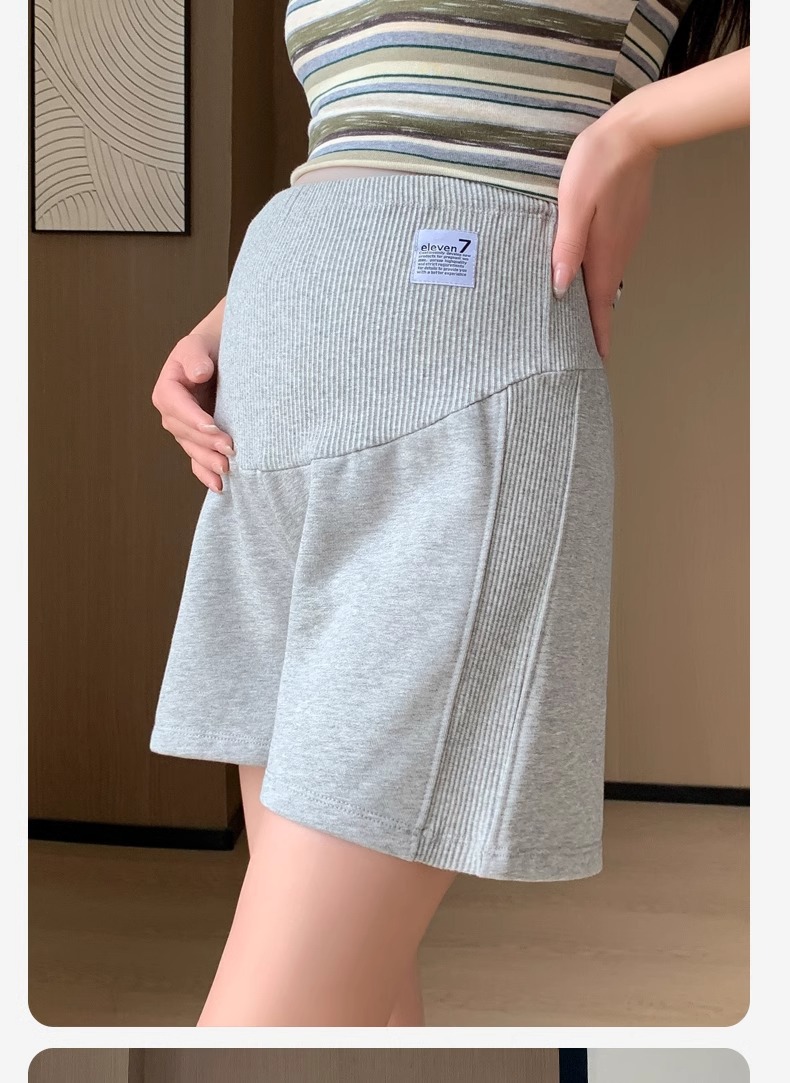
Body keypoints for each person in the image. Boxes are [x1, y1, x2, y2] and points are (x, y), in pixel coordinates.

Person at [149, 0, 749, 1027]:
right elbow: (374, 122)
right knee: (355, 1004)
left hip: (464, 378)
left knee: (265, 1029)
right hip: (267, 405)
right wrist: (229, 317)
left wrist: (635, 125)